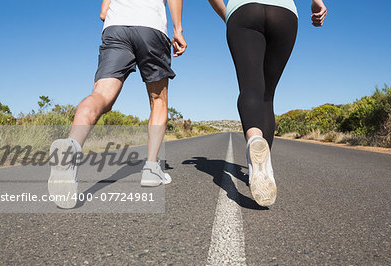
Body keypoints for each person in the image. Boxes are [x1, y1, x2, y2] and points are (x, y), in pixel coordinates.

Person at [48, 0, 187, 209]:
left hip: (116, 27)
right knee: (158, 100)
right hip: (151, 27)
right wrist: (178, 29)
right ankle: (151, 167)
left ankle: (71, 145)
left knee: (100, 95)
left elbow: (103, 13)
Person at [208, 0, 327, 206]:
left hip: (244, 10)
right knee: (267, 95)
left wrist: (229, 15)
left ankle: (254, 140)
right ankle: (265, 168)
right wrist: (317, 3)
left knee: (250, 87)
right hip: (284, 12)